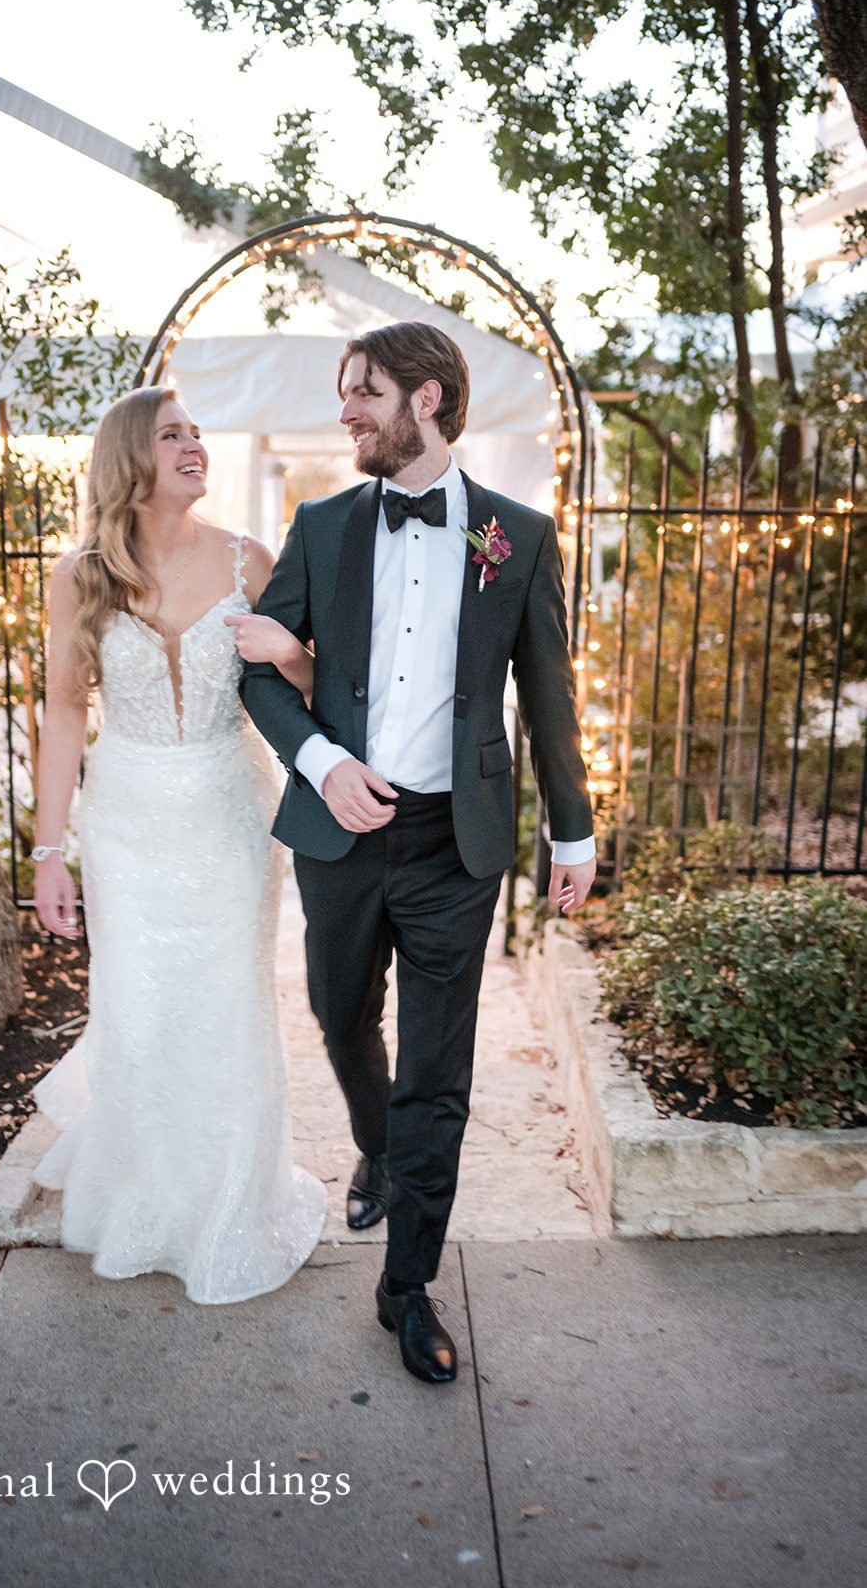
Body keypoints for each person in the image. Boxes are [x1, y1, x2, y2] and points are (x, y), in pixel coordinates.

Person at [238, 321, 596, 1381]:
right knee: (338, 1012)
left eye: (363, 391)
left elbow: (548, 694)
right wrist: (319, 764)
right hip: (339, 832)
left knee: (436, 1073)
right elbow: (260, 671)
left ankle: (406, 1287)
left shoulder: (516, 536)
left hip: (454, 844)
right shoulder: (322, 524)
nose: (344, 409)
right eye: (344, 391)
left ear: (427, 399)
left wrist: (568, 830)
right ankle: (375, 1145)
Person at [28, 384, 326, 1304]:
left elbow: (306, 687)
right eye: (172, 435)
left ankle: (233, 1200)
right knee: (142, 1006)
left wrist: (289, 650)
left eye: (198, 433)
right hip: (124, 821)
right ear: (131, 457)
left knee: (228, 1001)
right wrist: (48, 853)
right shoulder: (77, 576)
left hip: (229, 811)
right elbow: (64, 716)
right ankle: (147, 1193)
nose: (195, 446)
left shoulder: (251, 558)